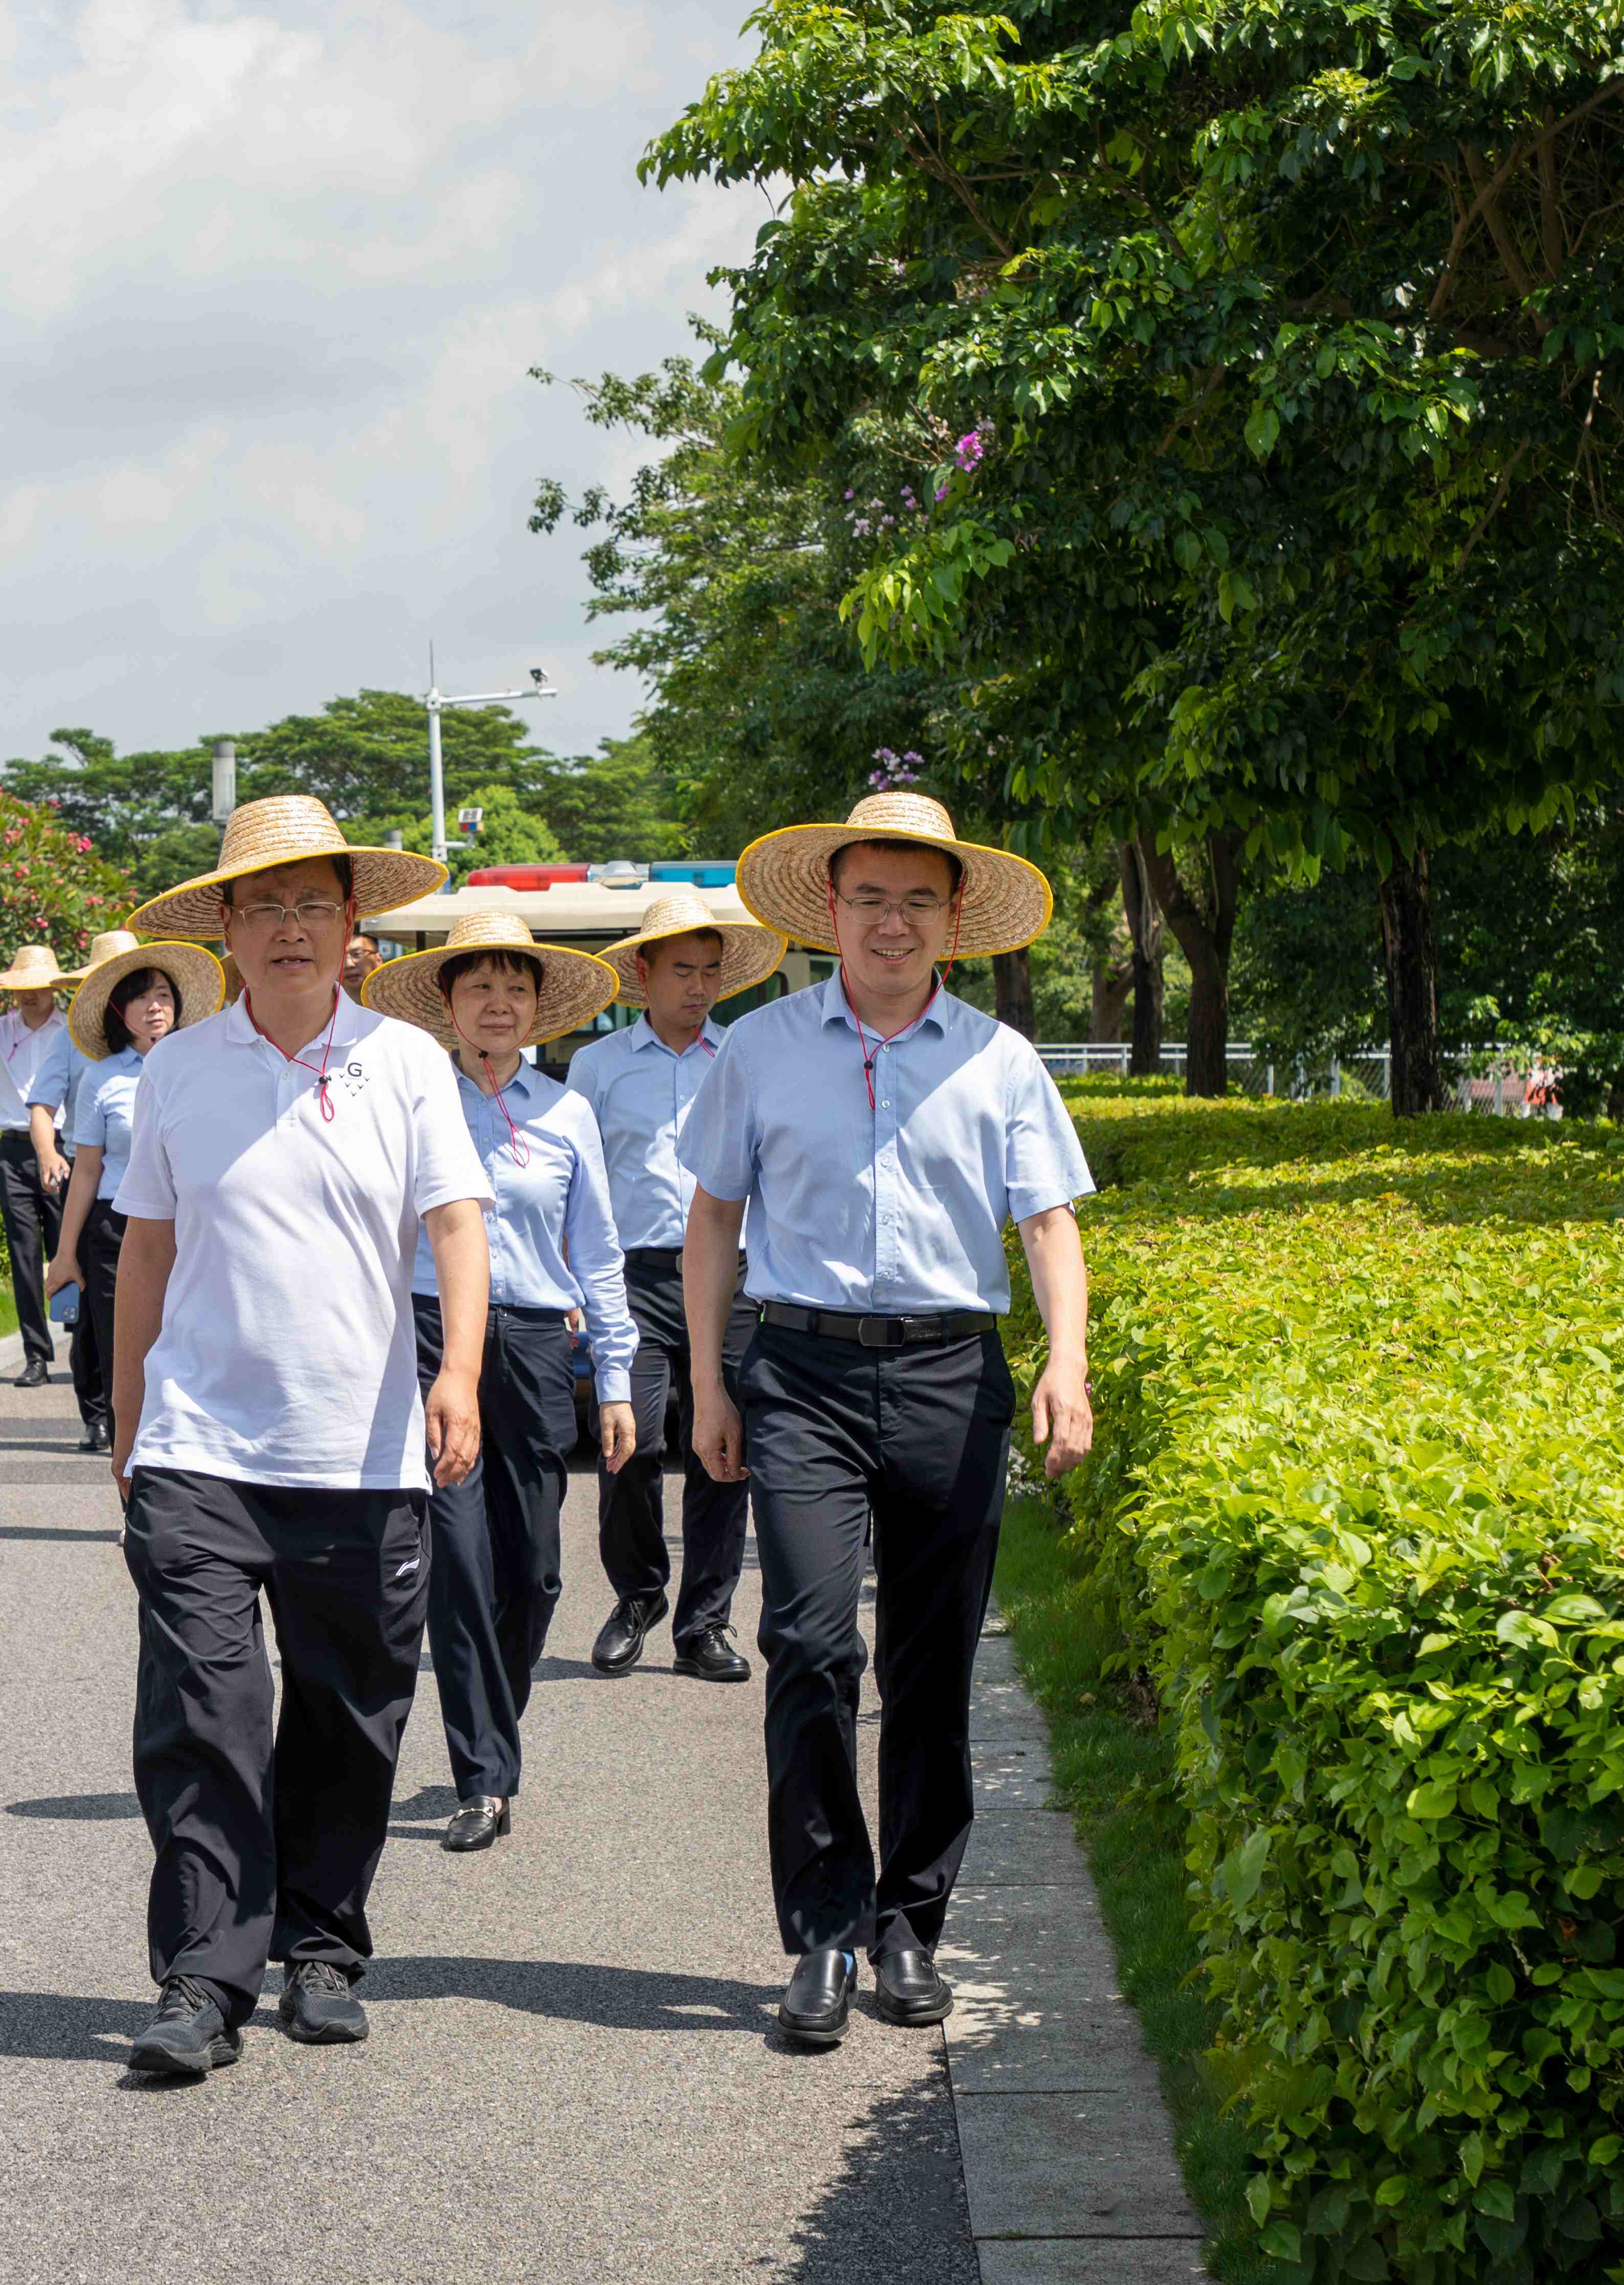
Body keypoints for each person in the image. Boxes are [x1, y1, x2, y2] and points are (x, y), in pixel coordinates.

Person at [683, 791, 1095, 2047]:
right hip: (802, 1374)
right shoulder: (761, 1049)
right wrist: (709, 1381)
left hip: (949, 1378)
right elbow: (714, 1219)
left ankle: (910, 1922)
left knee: (931, 1662)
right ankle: (823, 1930)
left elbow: (1047, 1223)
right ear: (832, 908)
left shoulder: (1000, 1058)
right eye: (870, 897)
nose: (892, 922)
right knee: (810, 1646)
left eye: (919, 900)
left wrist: (1067, 1361)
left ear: (954, 919)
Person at [102, 794, 486, 2080]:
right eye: (263, 905)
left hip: (359, 1452)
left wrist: (459, 1374)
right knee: (205, 1717)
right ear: (224, 925)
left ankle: (321, 1947)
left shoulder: (408, 1061)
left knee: (348, 1713)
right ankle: (203, 1978)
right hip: (200, 1449)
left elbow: (456, 1225)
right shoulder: (177, 1068)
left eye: (312, 904)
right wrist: (130, 1419)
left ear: (352, 923)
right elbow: (145, 1251)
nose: (288, 927)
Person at [363, 912, 638, 1853]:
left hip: (532, 1346)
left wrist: (615, 1377)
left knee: (535, 1570)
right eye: (478, 987)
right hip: (430, 1339)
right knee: (459, 1559)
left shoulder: (567, 1112)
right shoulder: (412, 1101)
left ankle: (493, 1726)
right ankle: (482, 1776)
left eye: (515, 989)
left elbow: (597, 1252)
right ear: (447, 1005)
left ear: (538, 1009)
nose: (497, 1005)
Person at [568, 887, 784, 1683]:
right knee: (631, 1441)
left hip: (732, 1276)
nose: (698, 987)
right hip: (635, 1277)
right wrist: (573, 1281)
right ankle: (637, 1595)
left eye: (711, 972)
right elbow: (575, 1180)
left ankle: (705, 1624)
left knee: (724, 1446)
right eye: (682, 971)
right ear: (643, 974)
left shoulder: (744, 1057)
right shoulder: (597, 1067)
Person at [40, 929, 223, 1457]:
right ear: (120, 1012)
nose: (155, 1006)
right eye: (141, 997)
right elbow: (87, 1171)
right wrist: (66, 1253)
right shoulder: (101, 1079)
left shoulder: (204, 1068)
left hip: (192, 1228)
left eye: (163, 994)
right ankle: (131, 1467)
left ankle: (188, 1461)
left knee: (194, 1346)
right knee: (126, 1353)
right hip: (115, 1231)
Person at [0, 943, 81, 1389]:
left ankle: (77, 1337)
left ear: (55, 989)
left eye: (40, 987)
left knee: (66, 1247)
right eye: (23, 987)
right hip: (12, 1152)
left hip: (61, 1148)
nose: (31, 995)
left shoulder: (71, 1030)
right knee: (23, 1257)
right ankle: (36, 1354)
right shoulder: (0, 1029)